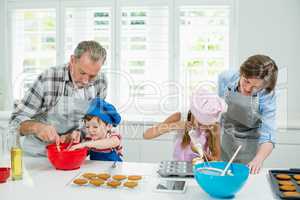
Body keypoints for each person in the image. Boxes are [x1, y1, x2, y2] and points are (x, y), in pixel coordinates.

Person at [9, 40, 108, 156]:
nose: (86, 81)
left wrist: (79, 133)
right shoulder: (48, 79)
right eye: (82, 73)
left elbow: (95, 121)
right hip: (39, 157)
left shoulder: (100, 82)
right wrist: (37, 127)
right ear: (72, 60)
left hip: (74, 155)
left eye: (92, 76)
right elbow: (15, 120)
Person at [218, 54, 278, 174]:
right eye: (246, 81)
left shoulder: (267, 95)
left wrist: (258, 159)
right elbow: (218, 108)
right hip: (225, 142)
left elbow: (269, 135)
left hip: (248, 148)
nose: (247, 88)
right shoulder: (226, 78)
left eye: (255, 87)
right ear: (241, 73)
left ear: (264, 87)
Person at [143, 88, 227, 162]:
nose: (204, 127)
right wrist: (176, 125)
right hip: (177, 171)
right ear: (194, 113)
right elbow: (147, 135)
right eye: (201, 123)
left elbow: (216, 159)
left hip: (201, 172)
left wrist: (202, 153)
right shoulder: (179, 117)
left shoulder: (214, 127)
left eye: (208, 124)